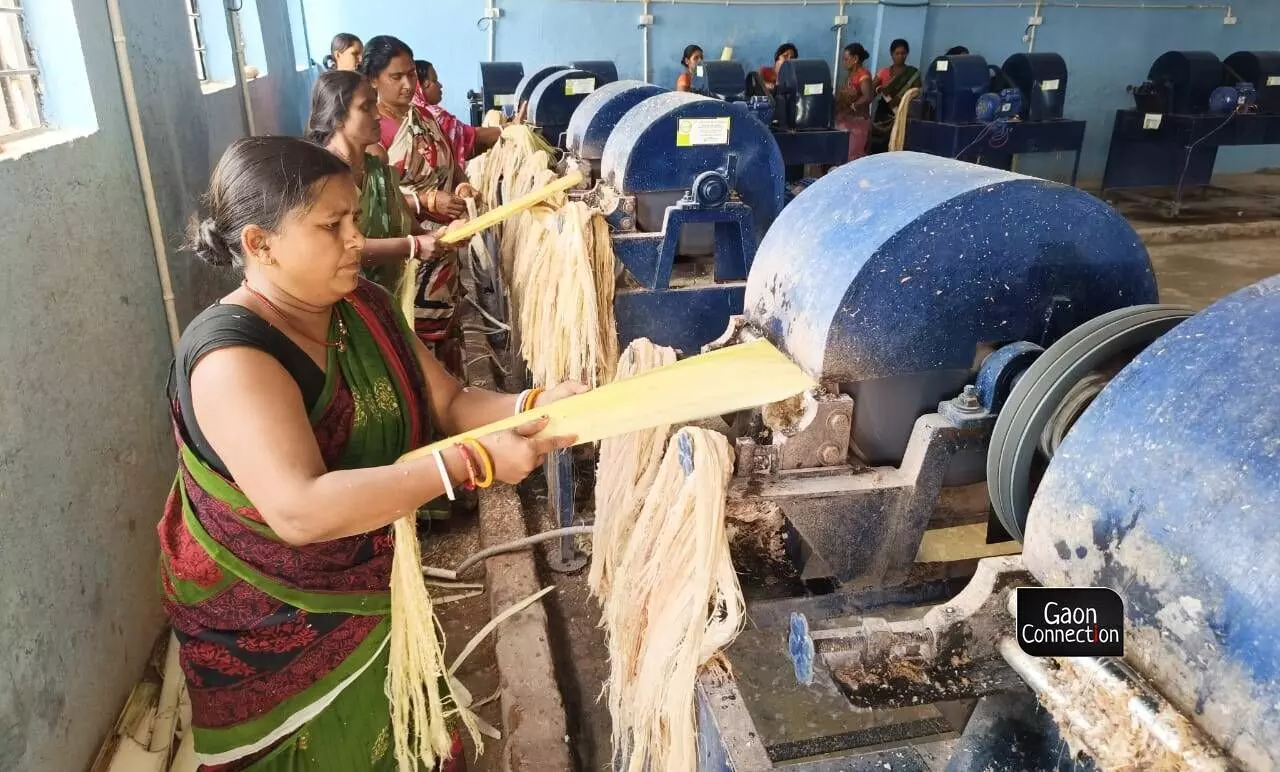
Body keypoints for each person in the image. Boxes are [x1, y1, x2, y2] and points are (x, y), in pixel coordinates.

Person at [160, 135, 586, 772]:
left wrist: (539, 405)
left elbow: (448, 402)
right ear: (259, 243)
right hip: (272, 612)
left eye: (355, 219)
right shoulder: (232, 359)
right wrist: (473, 464)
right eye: (331, 225)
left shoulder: (363, 307)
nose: (357, 239)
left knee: (404, 731)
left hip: (365, 575)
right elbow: (300, 511)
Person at [360, 36, 469, 372]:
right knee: (412, 345)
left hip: (446, 245)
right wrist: (423, 201)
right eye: (397, 77)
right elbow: (372, 203)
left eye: (412, 75)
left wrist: (463, 188)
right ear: (374, 79)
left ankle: (456, 400)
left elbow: (453, 168)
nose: (409, 85)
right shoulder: (371, 132)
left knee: (448, 332)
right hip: (406, 255)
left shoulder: (424, 118)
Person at [306, 69, 449, 298]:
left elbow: (411, 229)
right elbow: (340, 248)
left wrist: (446, 237)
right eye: (365, 107)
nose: (377, 115)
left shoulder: (378, 170)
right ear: (338, 117)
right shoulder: (320, 180)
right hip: (341, 302)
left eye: (375, 105)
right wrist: (413, 246)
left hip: (385, 297)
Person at [411, 59, 516, 167]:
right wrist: (510, 128)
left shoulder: (407, 115)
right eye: (435, 80)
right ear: (422, 86)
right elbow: (471, 137)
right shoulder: (434, 117)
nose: (440, 85)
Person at [870, 39, 920, 153]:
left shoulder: (913, 74)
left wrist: (899, 99)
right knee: (879, 146)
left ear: (907, 54)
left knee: (898, 144)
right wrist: (880, 90)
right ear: (891, 54)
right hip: (884, 114)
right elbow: (871, 92)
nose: (900, 56)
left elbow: (916, 93)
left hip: (902, 113)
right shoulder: (883, 72)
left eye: (903, 53)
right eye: (897, 53)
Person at [835, 43, 874, 162]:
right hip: (847, 121)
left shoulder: (863, 75)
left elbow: (868, 97)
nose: (844, 62)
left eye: (846, 59)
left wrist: (853, 106)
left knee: (853, 157)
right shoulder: (851, 76)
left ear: (855, 59)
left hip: (858, 123)